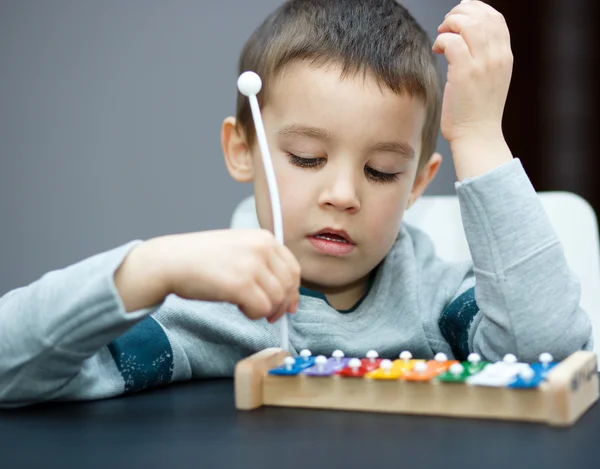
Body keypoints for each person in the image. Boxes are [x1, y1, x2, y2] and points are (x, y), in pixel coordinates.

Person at [0, 0, 592, 408]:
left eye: (382, 171)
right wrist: (144, 270)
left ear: (417, 183)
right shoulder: (205, 316)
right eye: (307, 158)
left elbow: (553, 353)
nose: (342, 194)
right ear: (241, 149)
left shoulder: (440, 301)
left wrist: (482, 138)